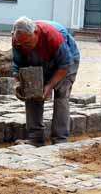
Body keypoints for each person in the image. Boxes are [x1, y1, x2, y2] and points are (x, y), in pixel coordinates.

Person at [11, 16, 80, 147]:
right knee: (32, 93)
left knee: (61, 95)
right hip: (41, 60)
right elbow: (17, 64)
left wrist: (49, 85)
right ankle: (35, 139)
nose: (25, 47)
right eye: (21, 44)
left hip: (66, 61)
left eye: (27, 43)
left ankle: (60, 140)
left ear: (35, 33)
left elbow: (65, 65)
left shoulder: (53, 37)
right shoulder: (18, 39)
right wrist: (19, 83)